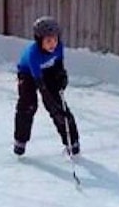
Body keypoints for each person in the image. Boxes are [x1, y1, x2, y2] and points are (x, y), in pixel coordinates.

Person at [13, 16, 80, 156]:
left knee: (60, 108)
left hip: (48, 71)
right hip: (28, 74)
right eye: (48, 41)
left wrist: (62, 78)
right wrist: (51, 104)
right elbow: (41, 87)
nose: (53, 44)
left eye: (55, 39)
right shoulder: (33, 54)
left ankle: (72, 143)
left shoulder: (59, 47)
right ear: (39, 40)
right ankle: (20, 142)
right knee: (28, 105)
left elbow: (59, 66)